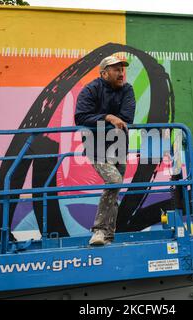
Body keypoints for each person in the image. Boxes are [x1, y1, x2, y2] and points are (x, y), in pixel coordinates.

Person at [74, 55, 136, 245]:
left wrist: (109, 121)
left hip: (119, 147)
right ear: (104, 73)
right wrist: (109, 117)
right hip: (96, 147)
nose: (121, 73)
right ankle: (99, 231)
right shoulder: (91, 89)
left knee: (114, 190)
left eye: (122, 69)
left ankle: (107, 237)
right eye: (116, 69)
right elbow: (81, 117)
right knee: (115, 181)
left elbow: (126, 117)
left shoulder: (127, 89)